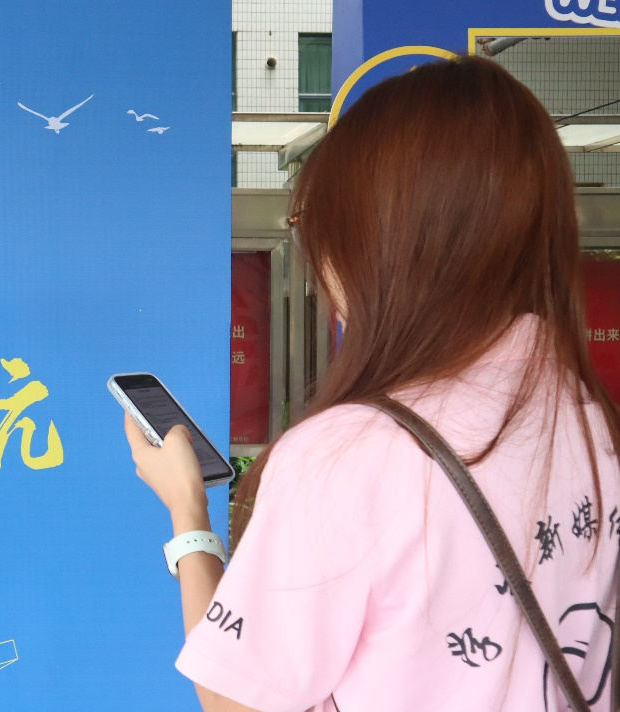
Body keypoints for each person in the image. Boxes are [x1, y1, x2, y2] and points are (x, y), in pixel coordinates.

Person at [126, 56, 620, 711]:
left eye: (319, 225)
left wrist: (188, 512)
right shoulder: (589, 419)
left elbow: (233, 700)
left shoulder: (348, 454)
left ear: (379, 244)